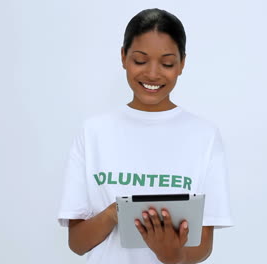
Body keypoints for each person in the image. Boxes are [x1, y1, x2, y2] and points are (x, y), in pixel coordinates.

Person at [58, 8, 233, 264]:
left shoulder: (204, 136)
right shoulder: (93, 132)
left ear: (182, 63)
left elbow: (204, 245)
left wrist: (173, 255)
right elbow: (77, 243)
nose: (152, 74)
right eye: (140, 60)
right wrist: (115, 213)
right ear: (123, 57)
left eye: (167, 63)